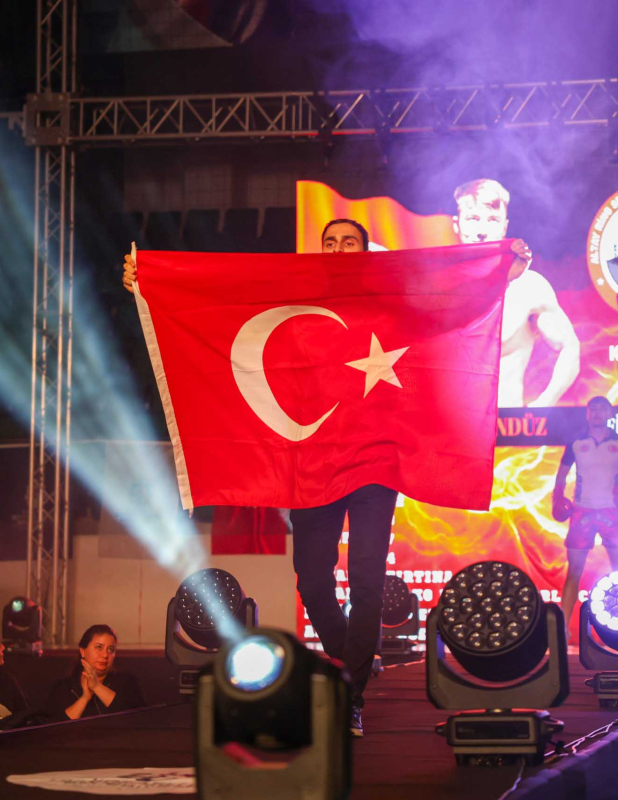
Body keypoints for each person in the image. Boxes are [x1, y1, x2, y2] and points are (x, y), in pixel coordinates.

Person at [122, 217, 526, 737]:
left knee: (366, 579)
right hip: (313, 463)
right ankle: (353, 655)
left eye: (348, 242)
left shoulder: (390, 296)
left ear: (365, 250)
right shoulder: (296, 294)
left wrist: (499, 272)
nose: (338, 249)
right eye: (330, 242)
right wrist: (151, 282)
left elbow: (445, 304)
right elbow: (222, 300)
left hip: (375, 462)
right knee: (312, 580)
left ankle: (349, 692)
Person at [453, 178, 579, 407]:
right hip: (447, 424)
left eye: (492, 220)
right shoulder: (434, 288)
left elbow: (569, 346)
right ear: (457, 224)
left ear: (504, 226)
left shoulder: (528, 288)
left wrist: (544, 403)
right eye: (473, 219)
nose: (481, 231)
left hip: (507, 423)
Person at [551, 396, 618, 624]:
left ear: (609, 413)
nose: (597, 413)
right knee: (574, 572)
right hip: (582, 511)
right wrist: (558, 496)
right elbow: (561, 475)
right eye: (593, 409)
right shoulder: (576, 441)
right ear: (587, 413)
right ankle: (562, 629)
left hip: (612, 512)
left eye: (602, 409)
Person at [45, 625, 145, 720]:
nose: (105, 655)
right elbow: (56, 725)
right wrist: (85, 698)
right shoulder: (64, 686)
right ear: (83, 651)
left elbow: (136, 718)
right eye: (99, 647)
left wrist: (97, 687)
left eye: (111, 649)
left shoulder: (127, 682)